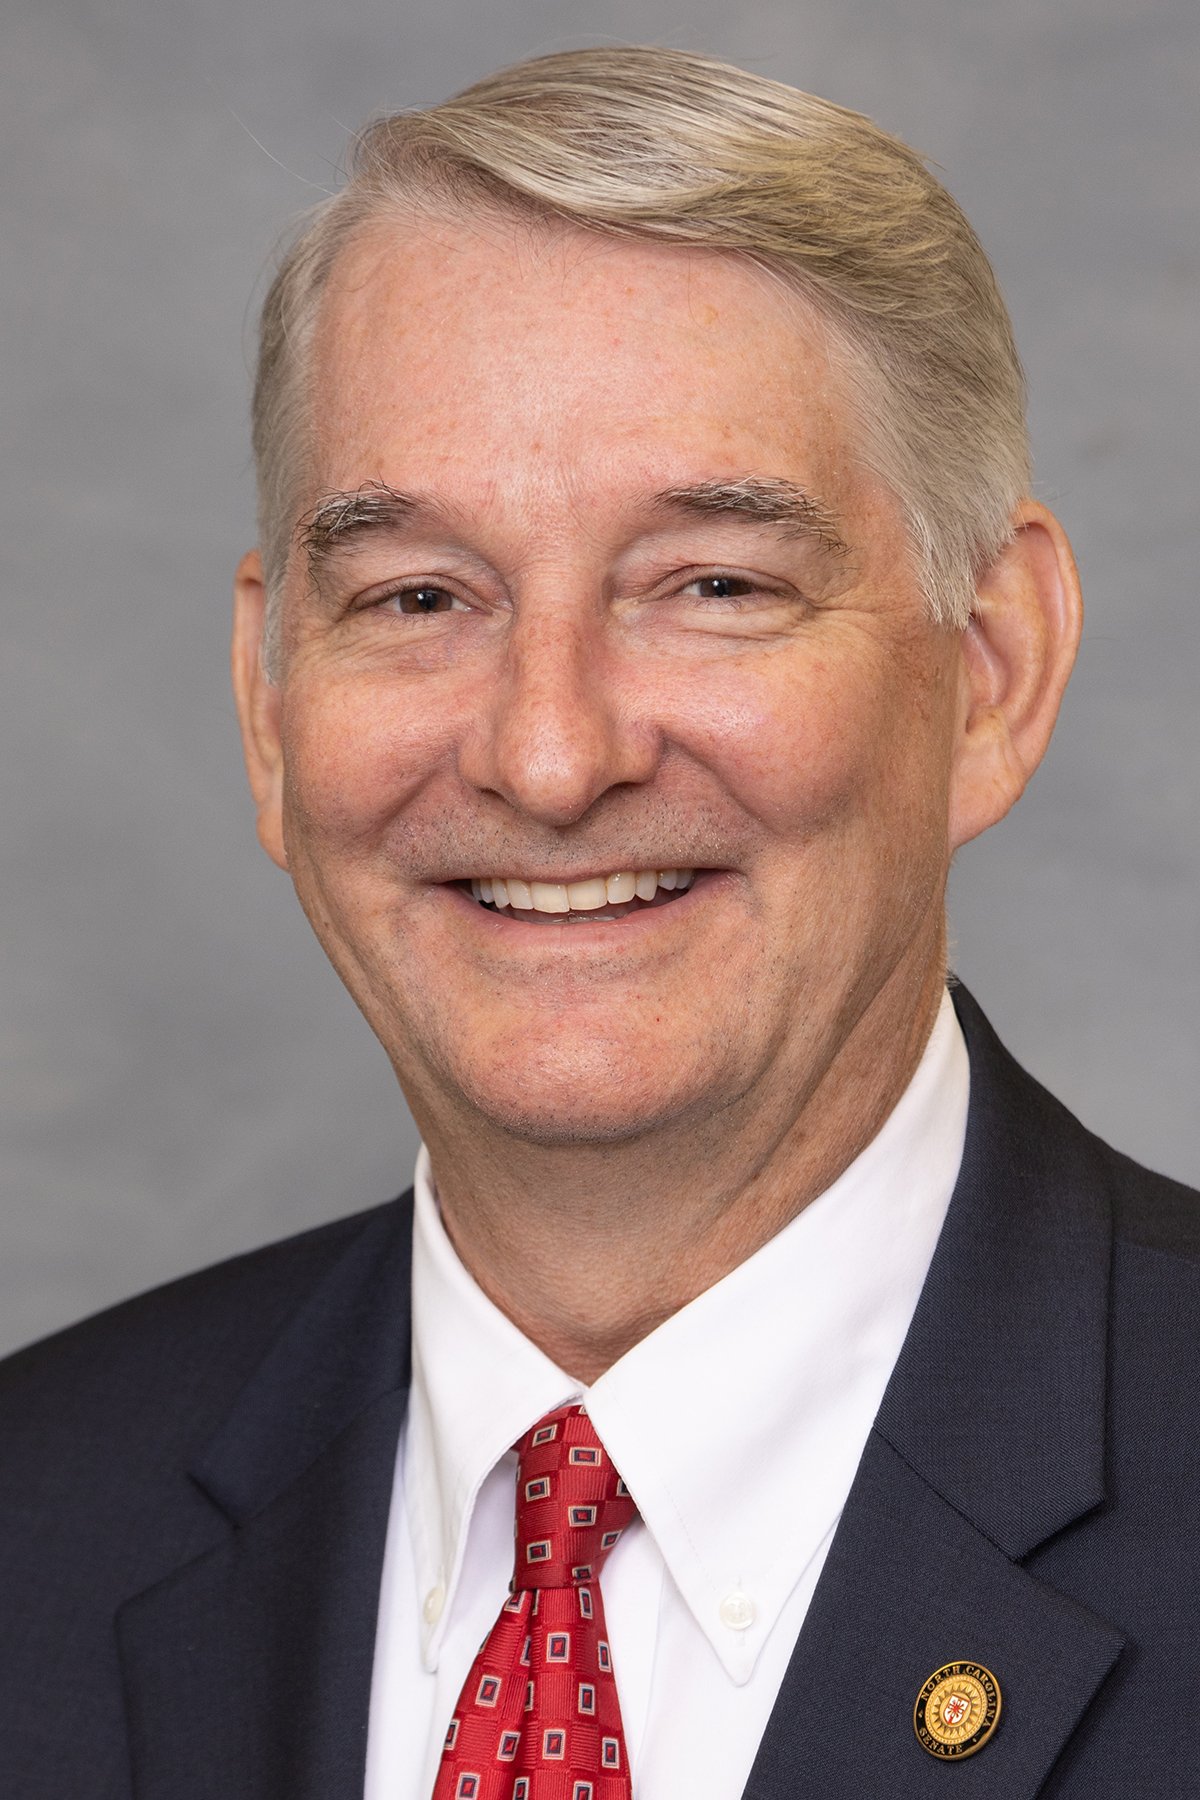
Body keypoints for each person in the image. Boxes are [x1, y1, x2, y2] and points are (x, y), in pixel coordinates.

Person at [1, 44, 1196, 1800]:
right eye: (419, 595)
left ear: (991, 671)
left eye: (711, 585)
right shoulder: (35, 1516)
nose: (550, 756)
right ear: (268, 708)